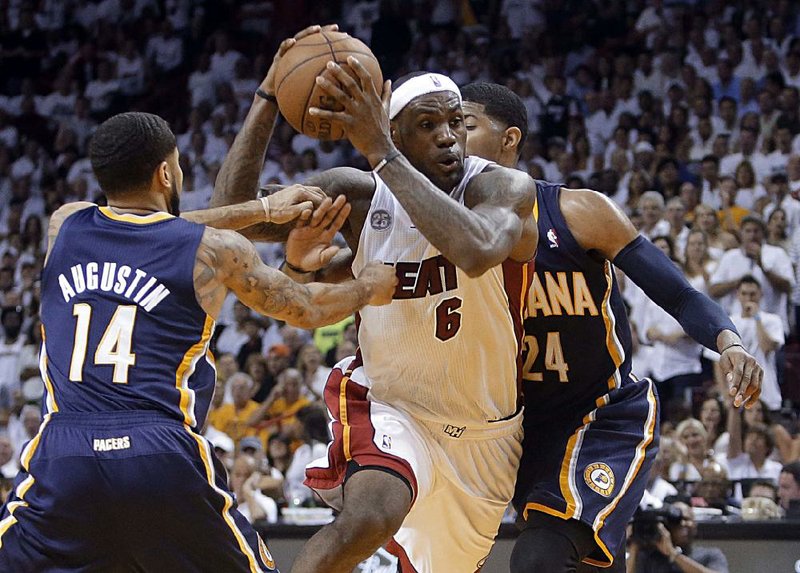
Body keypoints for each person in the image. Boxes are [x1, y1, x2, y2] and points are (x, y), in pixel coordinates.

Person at [0, 109, 396, 572]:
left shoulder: (63, 225)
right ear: (166, 172)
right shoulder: (214, 250)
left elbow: (140, 223)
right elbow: (305, 307)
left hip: (61, 452)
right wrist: (369, 284)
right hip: (157, 452)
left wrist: (262, 210)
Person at [212, 62, 538, 572]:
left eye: (455, 122)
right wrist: (268, 98)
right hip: (392, 405)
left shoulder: (503, 188)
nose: (449, 138)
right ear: (397, 133)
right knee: (366, 519)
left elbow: (475, 251)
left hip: (486, 433)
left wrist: (381, 151)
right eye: (428, 127)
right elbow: (233, 214)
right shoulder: (359, 194)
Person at [457, 81, 762, 573]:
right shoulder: (450, 234)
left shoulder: (579, 212)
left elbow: (678, 294)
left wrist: (728, 340)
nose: (452, 137)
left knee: (538, 558)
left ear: (509, 138)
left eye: (465, 124)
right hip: (514, 425)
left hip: (600, 416)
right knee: (590, 562)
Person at [627, 501, 729, 573]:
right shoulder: (649, 558)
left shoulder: (710, 555)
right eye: (676, 521)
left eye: (686, 519)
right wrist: (635, 547)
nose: (682, 524)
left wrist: (673, 554)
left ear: (695, 525)